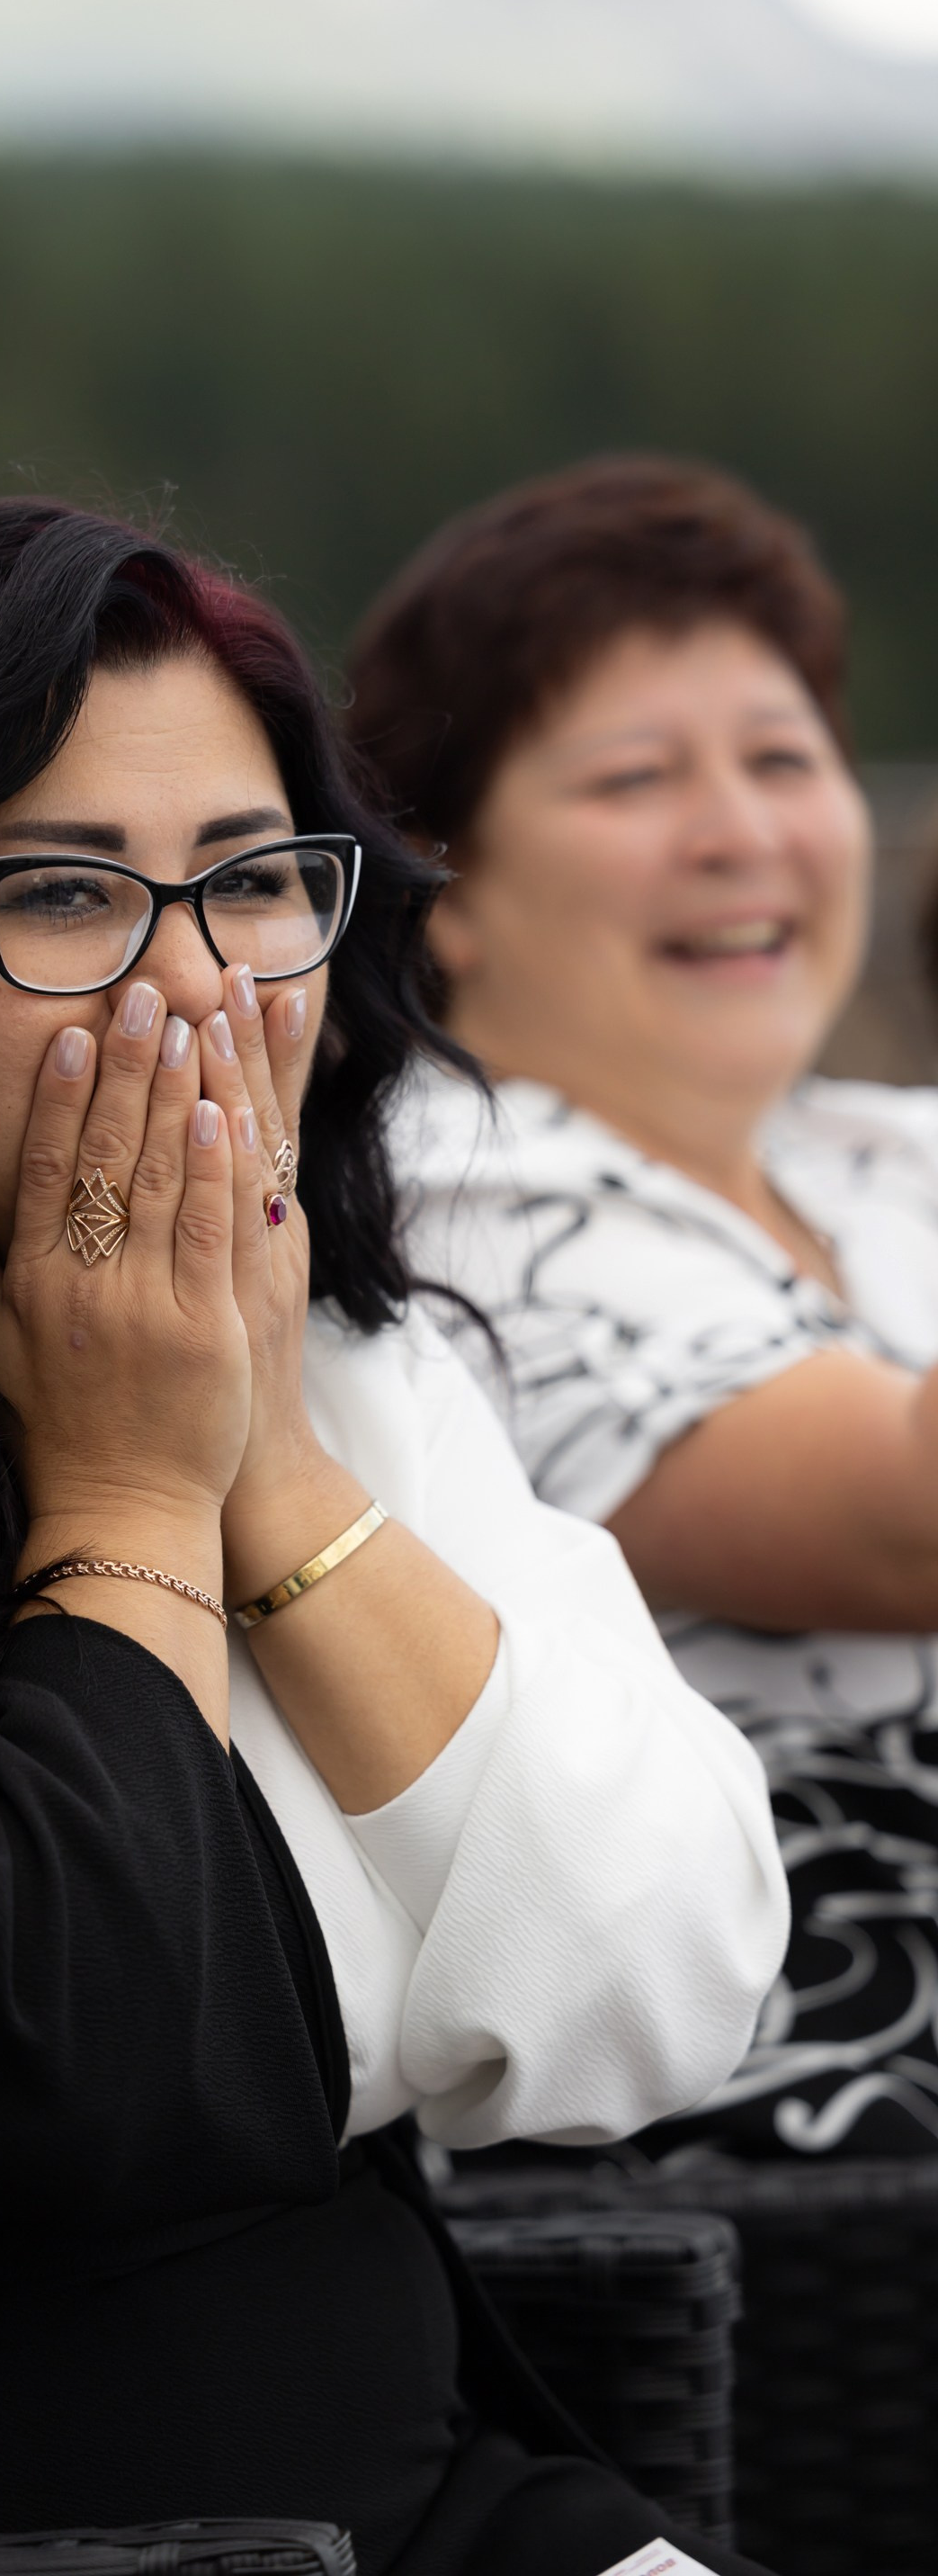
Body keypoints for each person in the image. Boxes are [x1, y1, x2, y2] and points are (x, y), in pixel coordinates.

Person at [0, 500, 786, 2576]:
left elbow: (661, 1984)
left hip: (442, 2499)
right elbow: (69, 2068)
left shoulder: (325, 1342)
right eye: (63, 893)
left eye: (253, 885)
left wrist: (252, 1446)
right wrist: (119, 1494)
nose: (188, 985)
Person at [358, 453, 938, 2160]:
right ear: (443, 891)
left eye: (781, 757)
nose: (739, 833)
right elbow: (904, 1521)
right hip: (785, 2184)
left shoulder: (879, 1156)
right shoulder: (453, 1201)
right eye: (634, 778)